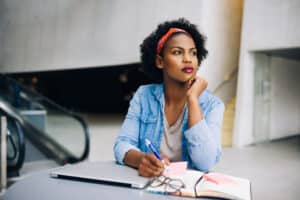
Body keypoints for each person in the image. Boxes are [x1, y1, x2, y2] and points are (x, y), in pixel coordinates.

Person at [114, 18, 224, 177]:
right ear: (160, 61)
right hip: (149, 185)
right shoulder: (144, 96)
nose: (188, 59)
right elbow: (122, 144)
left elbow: (206, 162)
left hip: (187, 189)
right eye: (178, 52)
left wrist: (192, 99)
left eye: (193, 52)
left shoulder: (213, 105)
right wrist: (141, 160)